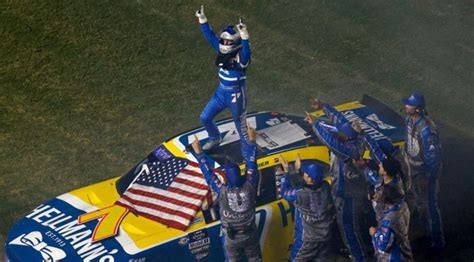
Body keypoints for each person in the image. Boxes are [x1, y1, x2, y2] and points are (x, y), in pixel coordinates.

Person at [306, 99, 368, 262]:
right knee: (347, 229)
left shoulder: (349, 150)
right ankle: (353, 252)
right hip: (346, 193)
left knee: (349, 230)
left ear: (347, 137)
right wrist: (324, 107)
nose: (337, 131)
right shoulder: (355, 140)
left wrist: (316, 125)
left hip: (349, 197)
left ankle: (359, 258)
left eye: (341, 132)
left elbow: (331, 142)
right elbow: (341, 121)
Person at [191, 126, 261, 262]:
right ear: (241, 174)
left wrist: (199, 153)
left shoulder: (222, 190)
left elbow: (208, 174)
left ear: (227, 178)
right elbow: (252, 164)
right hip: (250, 235)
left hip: (232, 238)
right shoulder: (250, 185)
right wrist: (251, 141)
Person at [195, 5, 251, 154]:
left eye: (227, 42)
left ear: (235, 44)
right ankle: (215, 137)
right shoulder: (221, 51)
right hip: (221, 92)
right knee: (205, 117)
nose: (223, 44)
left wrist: (244, 34)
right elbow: (210, 36)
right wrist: (202, 19)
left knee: (241, 126)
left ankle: (248, 150)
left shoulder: (241, 58)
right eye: (223, 41)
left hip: (236, 95)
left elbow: (247, 50)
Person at [402, 92, 444, 249]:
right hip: (412, 171)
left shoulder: (427, 129)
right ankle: (426, 234)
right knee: (419, 205)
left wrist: (429, 177)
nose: (405, 106)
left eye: (409, 104)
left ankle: (437, 242)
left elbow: (434, 159)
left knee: (430, 206)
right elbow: (408, 144)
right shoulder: (408, 120)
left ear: (418, 109)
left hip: (424, 174)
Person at [280, 155, 334, 262]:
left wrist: (286, 173)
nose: (304, 175)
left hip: (308, 239)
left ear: (310, 179)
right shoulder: (325, 187)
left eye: (306, 173)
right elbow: (310, 184)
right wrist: (299, 171)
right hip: (325, 235)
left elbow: (284, 192)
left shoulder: (301, 194)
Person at [369, 185, 413, 261]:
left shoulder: (389, 220)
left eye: (380, 193)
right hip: (405, 250)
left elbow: (383, 245)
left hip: (394, 256)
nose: (377, 194)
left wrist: (374, 234)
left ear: (384, 198)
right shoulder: (403, 206)